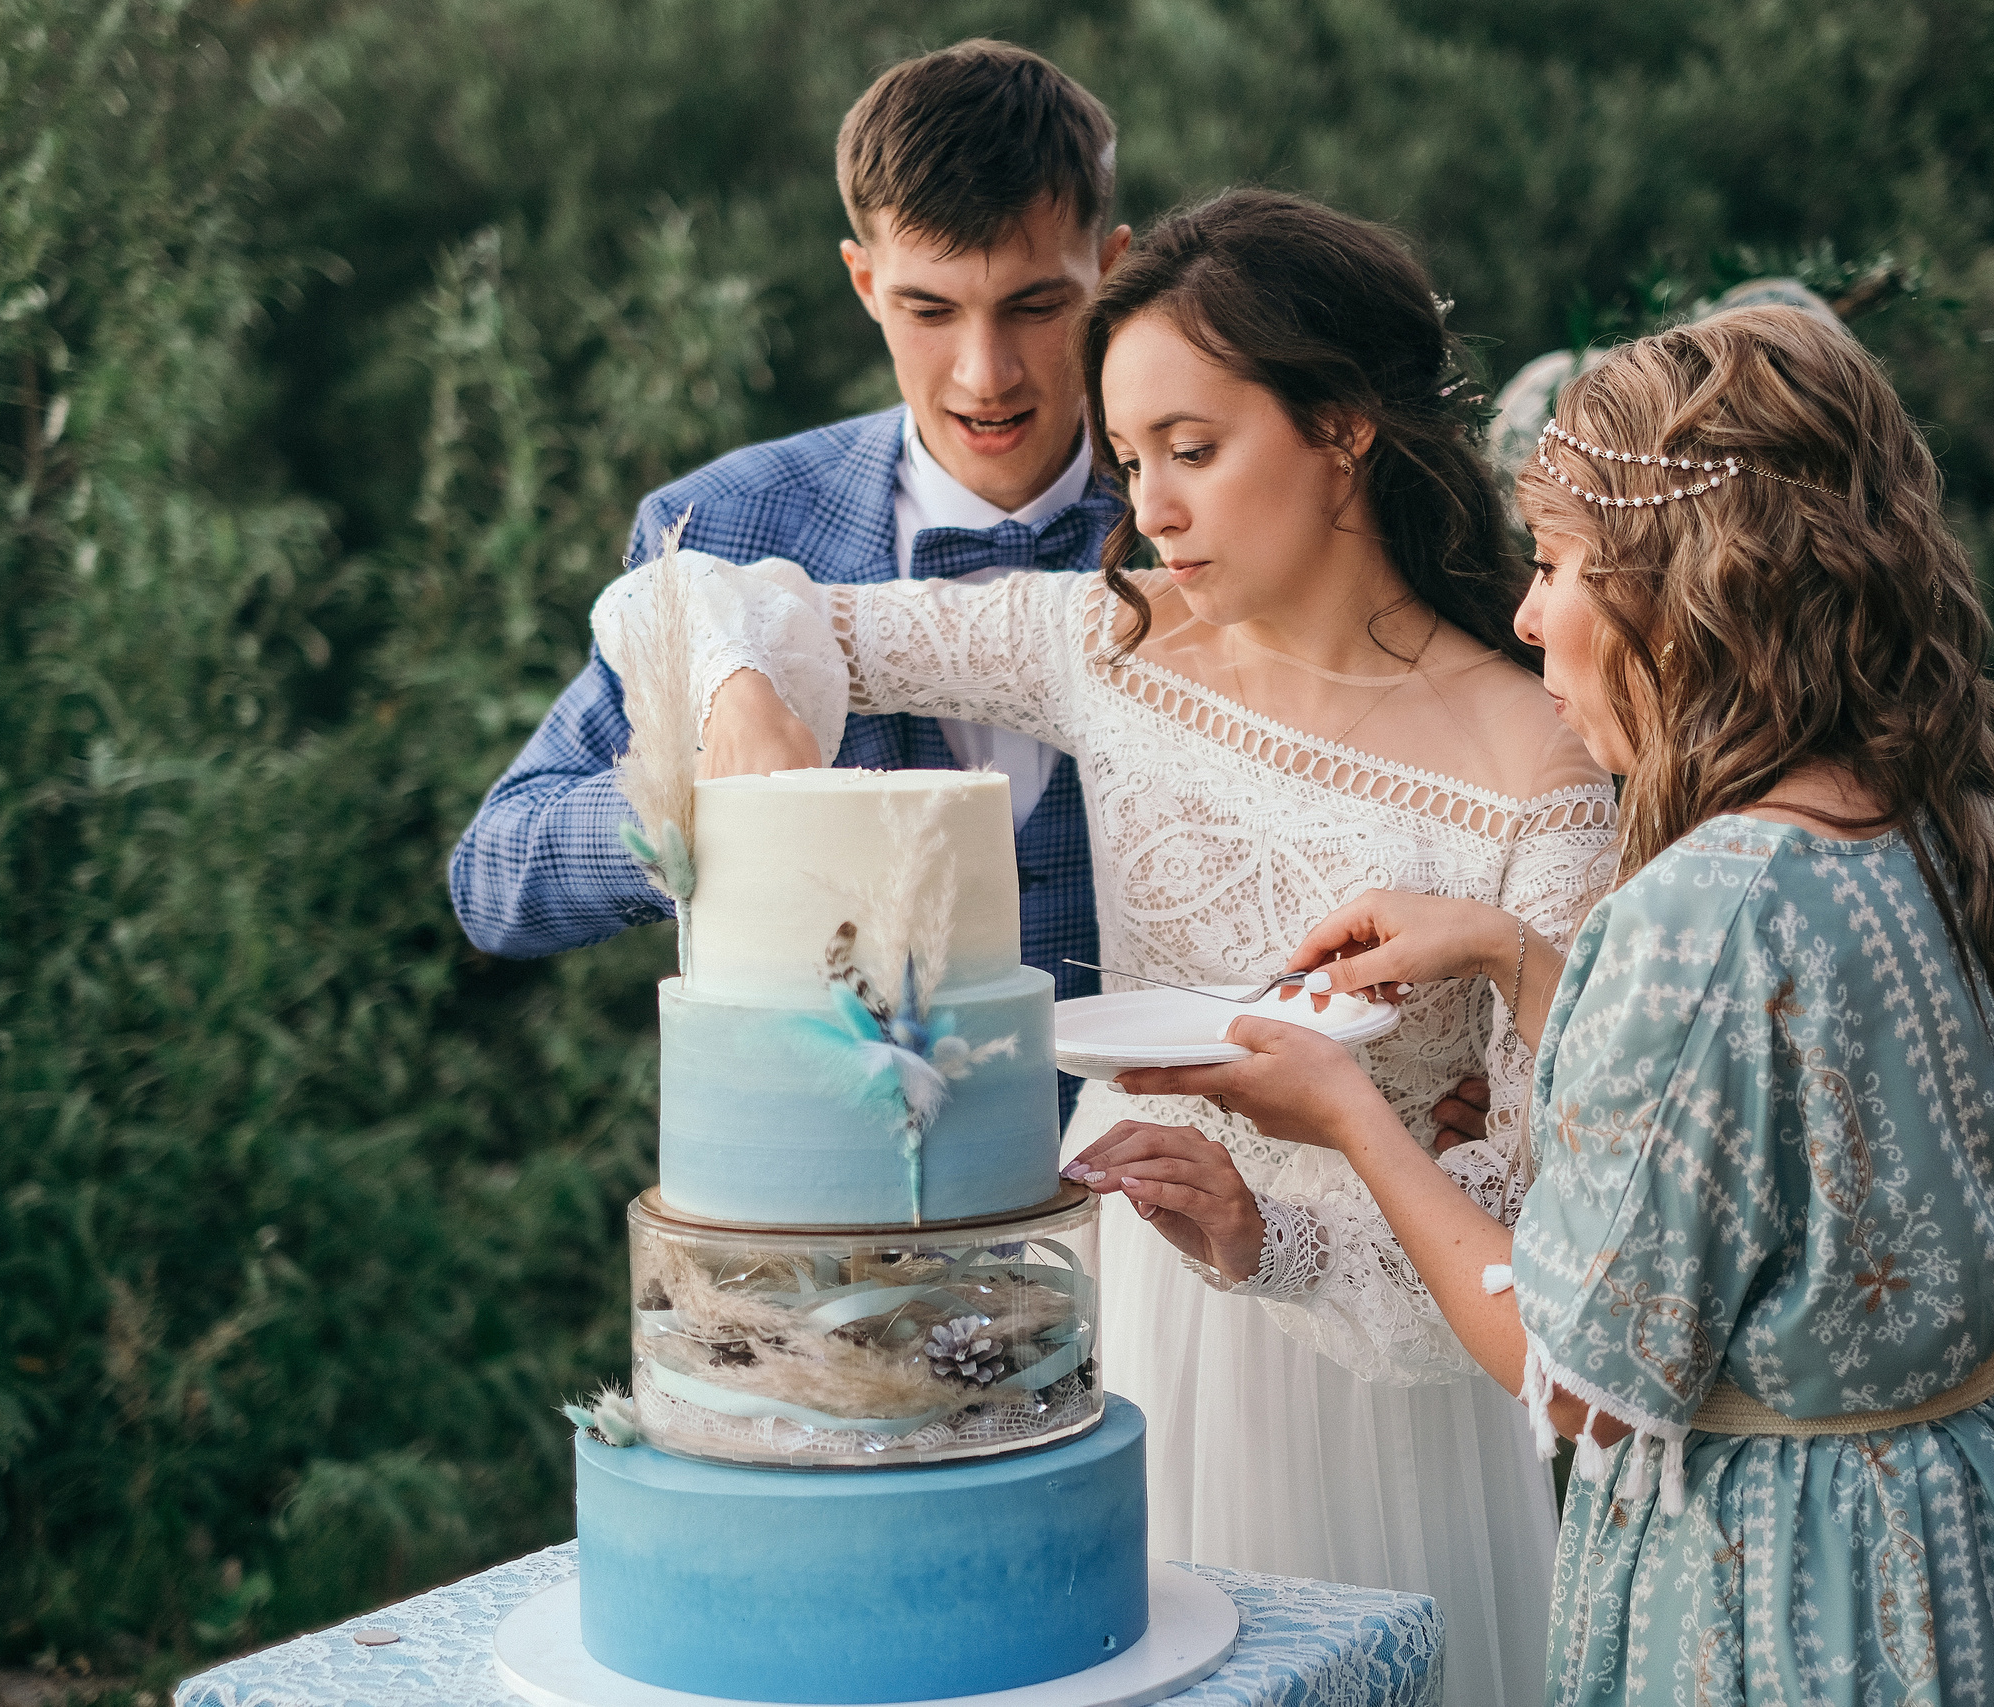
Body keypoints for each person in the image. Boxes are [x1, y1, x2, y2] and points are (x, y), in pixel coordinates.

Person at [1078, 304, 1994, 1703]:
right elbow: (1774, 1096)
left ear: (1687, 591)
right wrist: (1518, 957)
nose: (1528, 612)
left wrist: (1355, 1113)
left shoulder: (1692, 912)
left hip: (1795, 1589)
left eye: (1554, 567)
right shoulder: (1925, 811)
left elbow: (1578, 1378)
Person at [616, 189, 1623, 1707]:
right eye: (1134, 456)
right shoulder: (1105, 641)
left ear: (1343, 426)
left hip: (1388, 1381)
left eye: (1195, 451)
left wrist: (1274, 1231)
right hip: (1110, 1300)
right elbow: (682, 588)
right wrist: (744, 693)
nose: (1147, 507)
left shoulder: (1541, 761)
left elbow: (1563, 1209)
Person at [447, 41, 1131, 1119]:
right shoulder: (719, 523)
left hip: (1169, 1228)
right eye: (931, 309)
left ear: (1115, 275)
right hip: (836, 1227)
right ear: (863, 281)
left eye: (1037, 307)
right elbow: (495, 880)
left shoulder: (1206, 518)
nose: (984, 373)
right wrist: (699, 805)